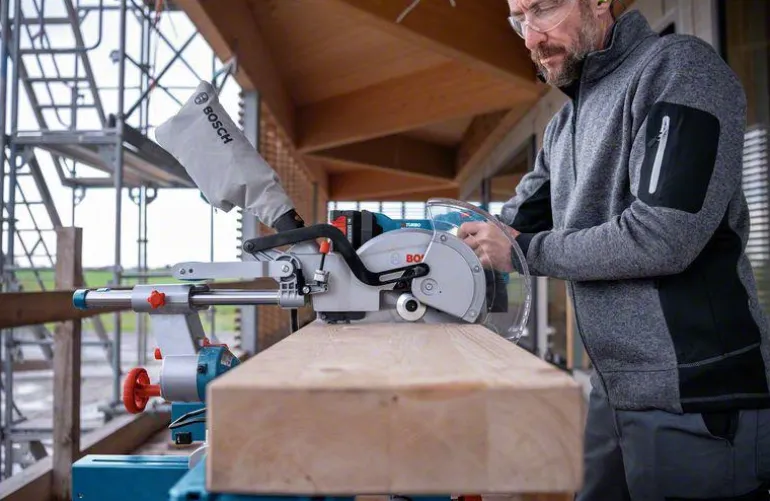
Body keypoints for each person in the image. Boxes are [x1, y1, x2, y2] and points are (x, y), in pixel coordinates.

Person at [458, 0, 770, 499]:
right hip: (613, 392)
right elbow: (507, 225)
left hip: (697, 394)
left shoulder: (678, 69)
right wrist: (437, 248)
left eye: (544, 9)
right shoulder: (563, 127)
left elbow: (662, 236)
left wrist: (524, 252)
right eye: (519, 19)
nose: (531, 38)